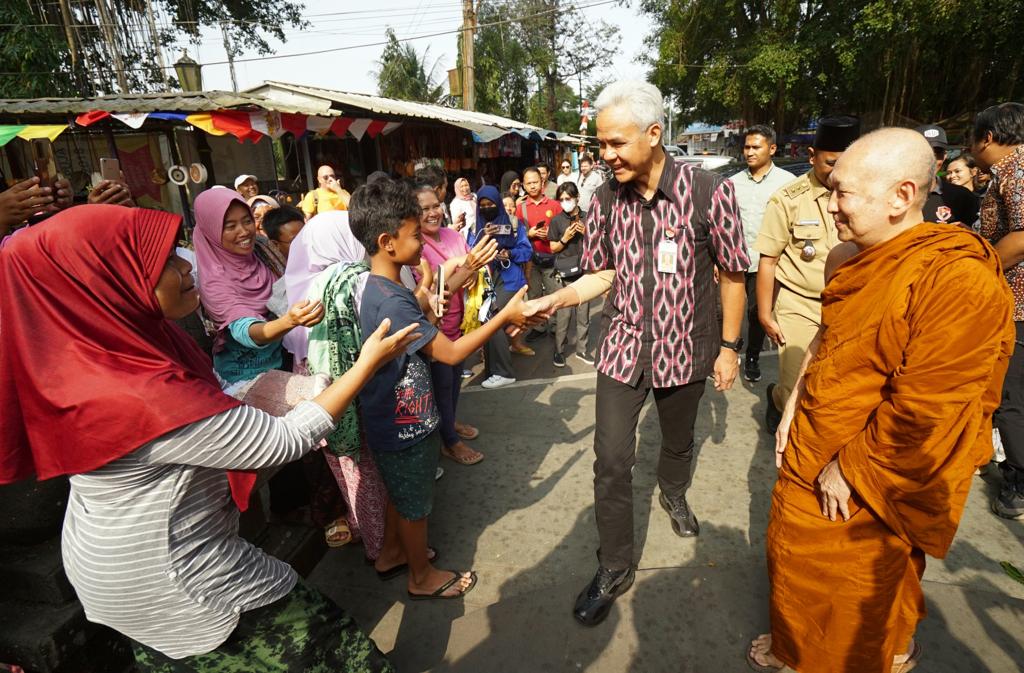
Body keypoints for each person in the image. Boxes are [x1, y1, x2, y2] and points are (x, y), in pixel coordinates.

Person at [0, 203, 417, 671]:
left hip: (115, 561)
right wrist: (364, 366)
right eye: (164, 263)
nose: (186, 265)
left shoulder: (93, 358)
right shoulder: (142, 397)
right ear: (107, 285)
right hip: (170, 572)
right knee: (331, 648)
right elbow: (280, 442)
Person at [748, 128, 1013, 673]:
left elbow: (932, 404)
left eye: (843, 192)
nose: (831, 204)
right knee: (796, 553)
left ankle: (836, 654)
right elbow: (829, 334)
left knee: (857, 569)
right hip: (820, 431)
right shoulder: (846, 257)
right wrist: (796, 401)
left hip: (879, 460)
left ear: (900, 196)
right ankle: (822, 643)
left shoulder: (958, 279)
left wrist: (851, 466)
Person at [522, 80, 749, 626]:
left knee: (677, 442)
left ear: (654, 134)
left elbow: (733, 273)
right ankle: (616, 565)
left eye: (616, 143)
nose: (606, 156)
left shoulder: (706, 191)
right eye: (601, 144)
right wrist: (556, 298)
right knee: (611, 460)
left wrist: (729, 348)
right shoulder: (602, 200)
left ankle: (673, 493)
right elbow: (601, 271)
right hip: (623, 347)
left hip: (687, 347)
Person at [348, 178, 531, 600]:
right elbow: (448, 354)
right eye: (414, 234)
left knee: (402, 494)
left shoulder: (379, 286)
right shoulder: (394, 298)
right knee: (415, 504)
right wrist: (503, 319)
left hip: (388, 418)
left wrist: (427, 291)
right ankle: (421, 575)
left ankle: (392, 553)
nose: (422, 239)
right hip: (403, 424)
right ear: (386, 242)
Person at [754, 115, 860, 434]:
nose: (838, 172)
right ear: (812, 157)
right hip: (799, 306)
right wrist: (764, 314)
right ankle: (779, 401)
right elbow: (768, 260)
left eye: (846, 163)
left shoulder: (866, 197)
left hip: (849, 306)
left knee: (834, 387)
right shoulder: (788, 199)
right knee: (794, 393)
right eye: (830, 163)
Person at [193, 189, 323, 386]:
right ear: (211, 231)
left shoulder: (261, 249)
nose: (244, 231)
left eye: (247, 221)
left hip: (285, 359)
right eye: (230, 226)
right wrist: (289, 321)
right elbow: (246, 331)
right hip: (246, 378)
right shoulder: (215, 280)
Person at [410, 182, 498, 465]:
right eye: (424, 209)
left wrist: (472, 271)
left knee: (455, 383)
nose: (432, 213)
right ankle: (449, 441)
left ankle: (450, 422)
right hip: (436, 328)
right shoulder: (414, 245)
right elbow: (431, 292)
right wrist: (464, 268)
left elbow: (473, 267)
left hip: (462, 321)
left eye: (435, 205)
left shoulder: (452, 235)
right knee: (443, 385)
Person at [970, 102, 1024, 519]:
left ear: (986, 138)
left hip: (1018, 305)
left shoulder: (1016, 169)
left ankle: (1018, 480)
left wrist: (980, 270)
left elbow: (1022, 234)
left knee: (1010, 396)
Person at [728, 125, 795, 383]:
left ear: (772, 149)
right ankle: (730, 349)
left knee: (758, 313)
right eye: (747, 147)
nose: (750, 152)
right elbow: (726, 224)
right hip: (734, 260)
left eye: (756, 147)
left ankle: (752, 356)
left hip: (766, 263)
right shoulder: (733, 183)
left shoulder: (788, 183)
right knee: (724, 311)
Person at [470, 185, 534, 387]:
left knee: (493, 318)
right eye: (483, 205)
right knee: (485, 319)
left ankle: (505, 372)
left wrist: (510, 253)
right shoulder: (475, 227)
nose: (487, 208)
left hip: (510, 279)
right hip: (486, 281)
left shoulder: (514, 225)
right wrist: (483, 236)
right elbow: (468, 252)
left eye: (491, 204)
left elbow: (527, 251)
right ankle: (492, 369)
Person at [547, 181, 594, 367]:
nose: (565, 202)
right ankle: (559, 350)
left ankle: (582, 349)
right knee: (563, 315)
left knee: (583, 315)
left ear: (577, 198)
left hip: (584, 271)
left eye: (569, 198)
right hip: (564, 272)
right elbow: (553, 248)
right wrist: (564, 238)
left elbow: (599, 242)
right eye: (562, 199)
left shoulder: (588, 217)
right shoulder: (557, 221)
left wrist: (587, 233)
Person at [521, 167, 563, 341]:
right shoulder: (520, 208)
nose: (532, 186)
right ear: (523, 185)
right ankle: (538, 327)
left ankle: (556, 327)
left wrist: (550, 235)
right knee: (534, 294)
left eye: (535, 182)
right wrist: (528, 235)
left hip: (551, 259)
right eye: (528, 183)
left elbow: (563, 230)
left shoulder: (554, 206)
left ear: (542, 183)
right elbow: (516, 236)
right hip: (531, 260)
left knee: (554, 294)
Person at [915, 125, 979, 226]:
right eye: (925, 152)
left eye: (937, 153)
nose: (931, 159)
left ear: (945, 156)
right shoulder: (894, 194)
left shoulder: (963, 197)